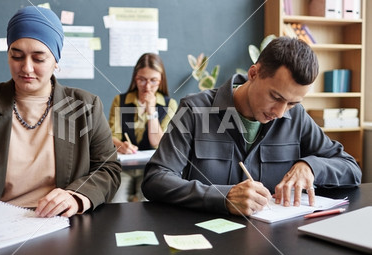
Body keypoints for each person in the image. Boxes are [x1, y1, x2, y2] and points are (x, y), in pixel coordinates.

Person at [0, 6, 121, 226]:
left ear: (56, 60)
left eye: (39, 58)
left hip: (61, 225)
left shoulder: (84, 106)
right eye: (17, 56)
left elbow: (108, 169)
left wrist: (75, 196)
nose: (26, 68)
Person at [142, 37, 361, 216]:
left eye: (293, 103)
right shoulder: (194, 109)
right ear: (254, 74)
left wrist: (311, 166)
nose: (280, 112)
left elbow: (351, 168)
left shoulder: (297, 117)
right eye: (275, 97)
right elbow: (156, 179)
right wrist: (222, 197)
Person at [109, 53, 177, 202]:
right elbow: (112, 136)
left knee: (146, 202)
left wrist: (151, 110)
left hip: (152, 168)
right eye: (142, 80)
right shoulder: (120, 101)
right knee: (116, 202)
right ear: (135, 78)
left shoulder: (169, 104)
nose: (147, 86)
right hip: (123, 168)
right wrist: (121, 145)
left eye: (153, 81)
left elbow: (157, 142)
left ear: (161, 80)